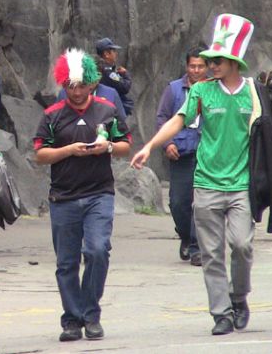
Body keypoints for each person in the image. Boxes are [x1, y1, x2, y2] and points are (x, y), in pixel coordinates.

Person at [131, 14, 259, 336]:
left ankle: (239, 297)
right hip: (206, 183)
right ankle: (221, 313)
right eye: (209, 60)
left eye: (217, 60)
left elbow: (266, 138)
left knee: (242, 245)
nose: (211, 65)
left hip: (241, 183)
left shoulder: (253, 93)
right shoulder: (202, 91)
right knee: (211, 253)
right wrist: (151, 146)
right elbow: (177, 120)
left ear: (233, 62)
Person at [34, 48, 132, 342]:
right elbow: (40, 154)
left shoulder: (107, 109)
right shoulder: (52, 115)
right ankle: (72, 319)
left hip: (99, 193)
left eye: (81, 85)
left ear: (91, 82)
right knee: (66, 262)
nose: (76, 91)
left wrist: (109, 148)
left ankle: (91, 313)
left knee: (97, 250)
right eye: (70, 86)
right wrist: (67, 151)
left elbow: (126, 144)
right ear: (63, 85)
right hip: (63, 197)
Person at [155, 47, 209, 266]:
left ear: (207, 67)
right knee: (178, 202)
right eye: (192, 66)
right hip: (181, 153)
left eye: (200, 66)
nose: (196, 70)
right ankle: (186, 236)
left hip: (207, 155)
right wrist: (167, 143)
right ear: (187, 67)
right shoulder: (174, 89)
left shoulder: (215, 89)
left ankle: (197, 248)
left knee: (202, 203)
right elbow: (162, 118)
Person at [95, 37, 134, 116]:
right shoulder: (107, 72)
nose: (116, 53)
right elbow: (124, 87)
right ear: (106, 54)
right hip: (111, 111)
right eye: (113, 51)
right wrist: (125, 74)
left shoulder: (102, 69)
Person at [56, 80, 127, 122]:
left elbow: (121, 118)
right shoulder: (65, 93)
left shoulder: (111, 93)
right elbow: (55, 118)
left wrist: (109, 145)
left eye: (97, 74)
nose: (77, 93)